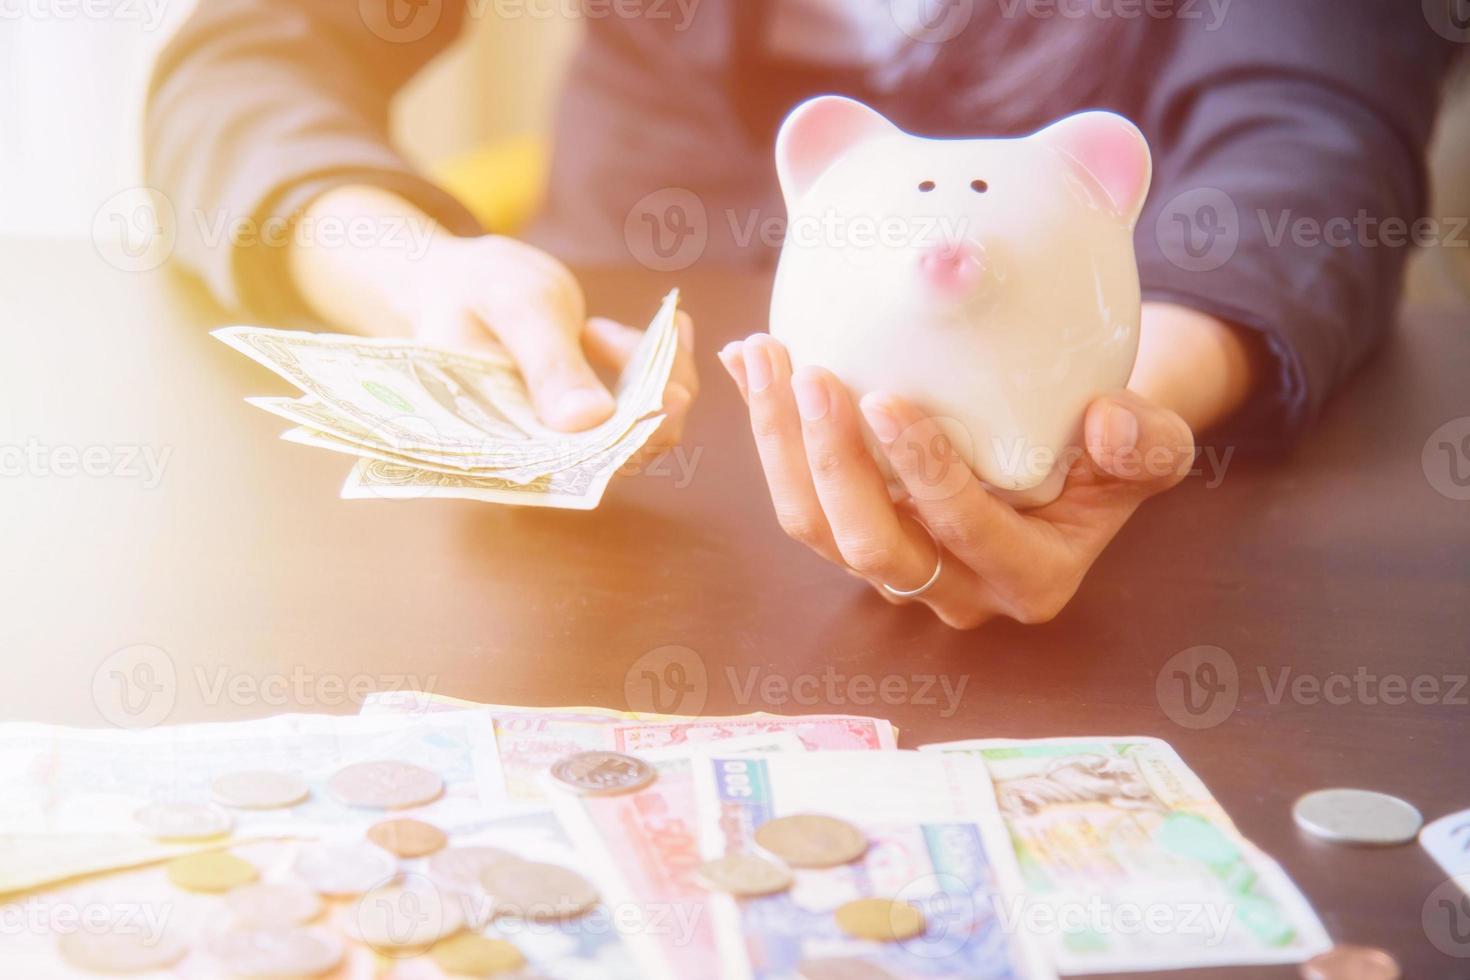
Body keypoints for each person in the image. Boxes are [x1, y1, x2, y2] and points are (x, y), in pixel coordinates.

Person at [147, 1, 1458, 628]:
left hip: (1146, 554)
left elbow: (1309, 139)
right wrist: (414, 272)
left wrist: (1116, 398)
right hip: (616, 537)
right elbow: (248, 60)